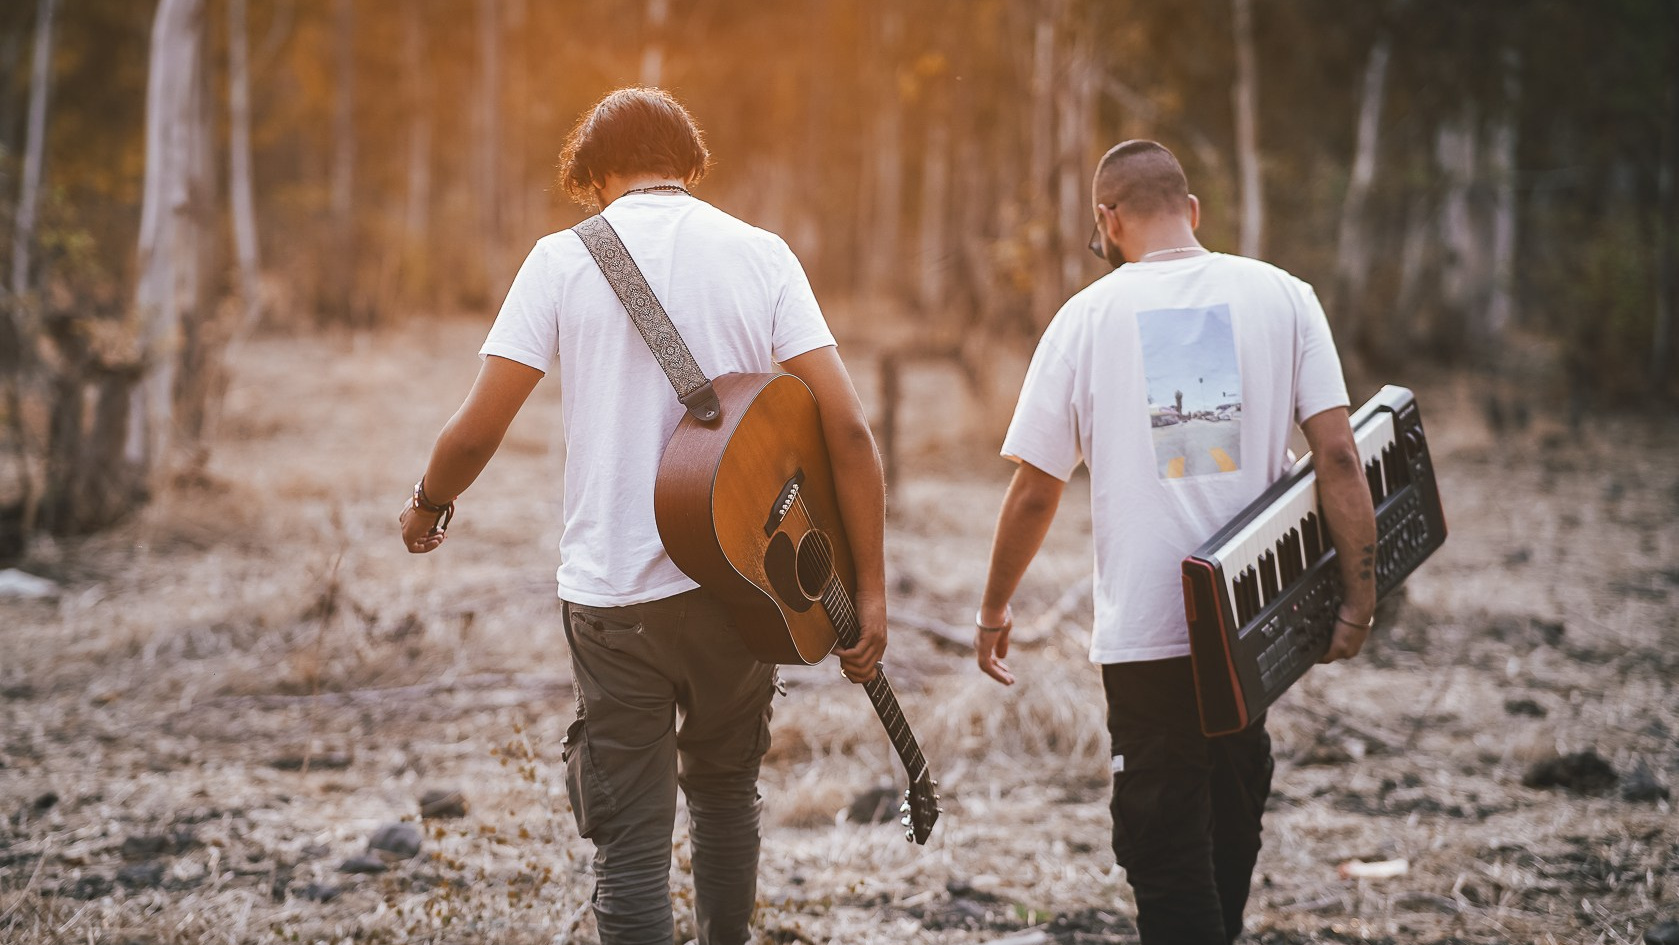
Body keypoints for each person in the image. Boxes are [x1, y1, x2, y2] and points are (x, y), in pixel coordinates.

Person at [398, 87, 888, 945]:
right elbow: (847, 427)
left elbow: (476, 430)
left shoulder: (560, 260)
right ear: (687, 165)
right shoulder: (760, 253)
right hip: (740, 587)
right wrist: (869, 595)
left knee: (627, 848)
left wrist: (428, 503)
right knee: (727, 795)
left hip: (613, 592)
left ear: (591, 175)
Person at [971, 140, 1377, 944]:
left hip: (1146, 637)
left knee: (1163, 854)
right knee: (1229, 829)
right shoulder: (1285, 296)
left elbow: (1036, 489)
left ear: (1107, 220)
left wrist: (991, 609)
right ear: (1191, 211)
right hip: (1254, 618)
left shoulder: (1083, 318)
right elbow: (1337, 453)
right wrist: (1359, 601)